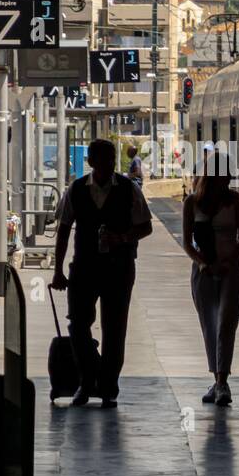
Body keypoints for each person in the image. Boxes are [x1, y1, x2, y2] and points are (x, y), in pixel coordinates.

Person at [50, 138, 153, 408]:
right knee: (78, 324)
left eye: (111, 159)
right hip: (83, 267)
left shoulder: (129, 189)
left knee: (114, 328)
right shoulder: (76, 190)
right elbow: (63, 229)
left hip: (119, 269)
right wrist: (58, 271)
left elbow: (145, 226)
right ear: (91, 162)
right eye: (103, 159)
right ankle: (88, 379)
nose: (108, 165)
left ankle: (107, 386)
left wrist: (124, 237)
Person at [183, 155, 239, 406]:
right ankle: (217, 378)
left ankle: (222, 382)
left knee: (226, 325)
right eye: (222, 175)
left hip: (232, 270)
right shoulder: (192, 202)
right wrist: (204, 264)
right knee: (209, 325)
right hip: (203, 272)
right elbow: (187, 242)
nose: (225, 180)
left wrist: (227, 261)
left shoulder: (236, 201)